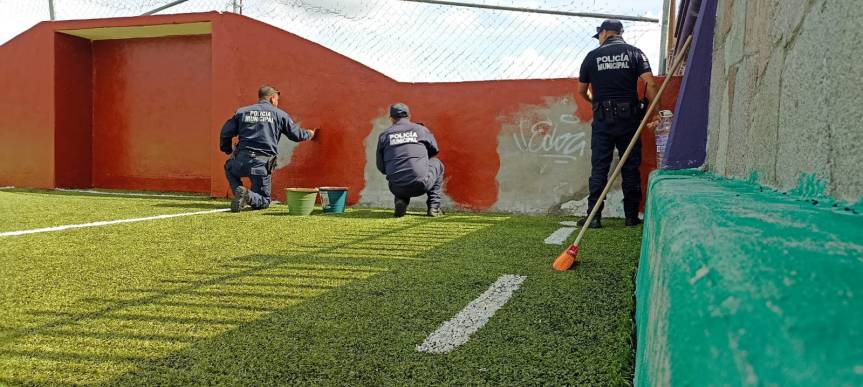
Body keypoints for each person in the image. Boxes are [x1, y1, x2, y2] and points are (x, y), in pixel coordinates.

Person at [576, 20, 658, 228]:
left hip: (602, 120)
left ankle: (593, 217)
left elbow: (581, 91)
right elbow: (650, 84)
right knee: (630, 167)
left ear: (603, 33)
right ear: (620, 33)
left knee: (599, 168)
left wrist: (594, 101)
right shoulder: (635, 53)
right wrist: (655, 113)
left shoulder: (592, 56)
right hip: (629, 120)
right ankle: (631, 217)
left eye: (600, 35)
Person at [220, 85, 317, 212]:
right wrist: (310, 134)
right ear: (272, 99)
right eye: (277, 100)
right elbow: (296, 135)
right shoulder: (280, 114)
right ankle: (246, 195)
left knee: (229, 167)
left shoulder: (242, 112)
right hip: (261, 165)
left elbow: (225, 133)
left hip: (240, 161)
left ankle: (240, 192)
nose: (277, 103)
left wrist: (227, 149)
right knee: (264, 201)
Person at [376, 103, 445, 218]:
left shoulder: (384, 135)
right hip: (421, 185)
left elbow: (381, 167)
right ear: (409, 116)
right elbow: (435, 150)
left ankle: (400, 201)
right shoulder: (421, 129)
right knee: (437, 164)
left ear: (391, 118)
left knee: (399, 169)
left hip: (396, 187)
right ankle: (434, 207)